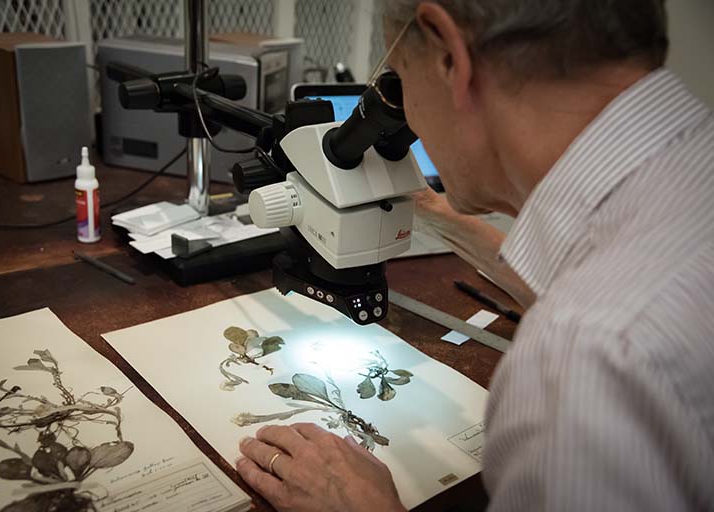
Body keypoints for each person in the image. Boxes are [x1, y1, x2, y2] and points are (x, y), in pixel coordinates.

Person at [235, 0, 714, 510]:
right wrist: (423, 207)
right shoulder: (689, 169)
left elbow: (601, 316)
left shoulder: (583, 360)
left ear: (448, 56)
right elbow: (607, 271)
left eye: (400, 85)